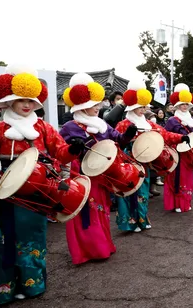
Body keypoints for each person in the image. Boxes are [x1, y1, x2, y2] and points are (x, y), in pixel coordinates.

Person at [0, 65, 83, 305]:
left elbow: (61, 152)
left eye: (30, 100)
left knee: (33, 238)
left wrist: (73, 148)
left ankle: (32, 286)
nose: (26, 104)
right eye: (20, 100)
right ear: (9, 102)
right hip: (5, 193)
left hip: (36, 192)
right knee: (5, 239)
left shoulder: (43, 128)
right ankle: (6, 288)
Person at [59, 73, 137, 265]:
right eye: (94, 104)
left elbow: (118, 139)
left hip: (102, 174)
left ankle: (103, 245)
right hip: (82, 173)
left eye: (98, 104)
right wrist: (72, 148)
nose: (98, 107)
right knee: (87, 211)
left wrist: (127, 135)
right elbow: (60, 150)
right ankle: (88, 251)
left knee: (101, 209)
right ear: (82, 106)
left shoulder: (102, 124)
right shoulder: (69, 127)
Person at [115, 80, 188, 231]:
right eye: (139, 107)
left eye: (144, 106)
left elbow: (165, 134)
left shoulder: (149, 123)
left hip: (145, 162)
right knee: (130, 192)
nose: (143, 109)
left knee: (143, 192)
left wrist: (180, 138)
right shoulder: (123, 124)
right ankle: (131, 222)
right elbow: (116, 143)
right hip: (129, 164)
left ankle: (142, 219)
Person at [164, 84, 193, 213]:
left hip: (190, 153)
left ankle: (186, 201)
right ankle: (177, 203)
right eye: (182, 104)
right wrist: (179, 138)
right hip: (177, 153)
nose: (184, 106)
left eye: (186, 104)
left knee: (188, 178)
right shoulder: (172, 120)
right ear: (177, 105)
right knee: (177, 177)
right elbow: (166, 136)